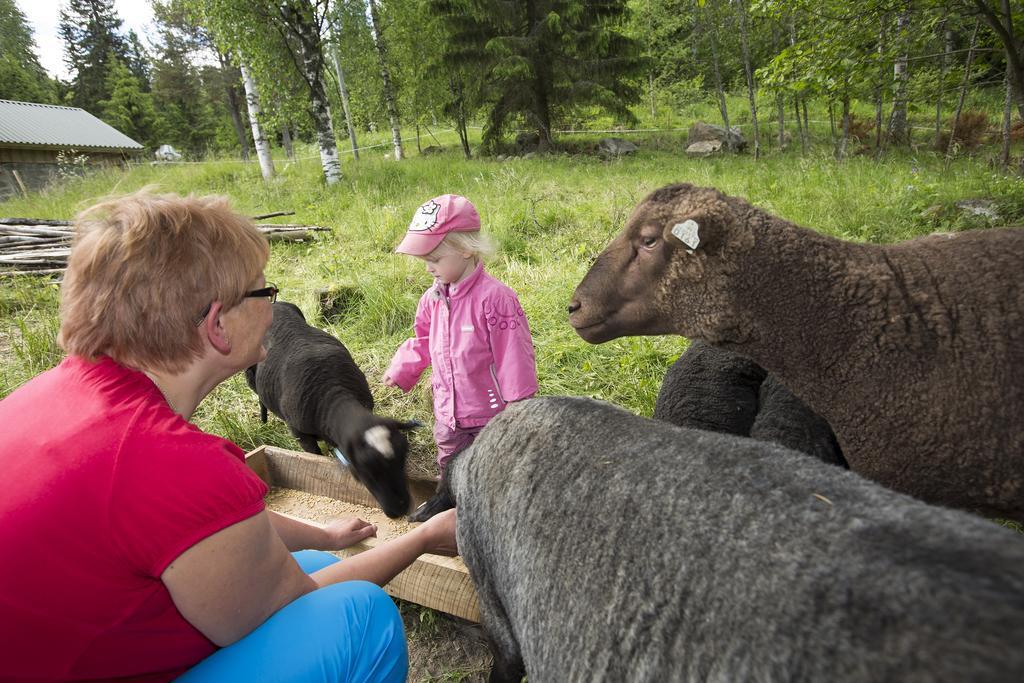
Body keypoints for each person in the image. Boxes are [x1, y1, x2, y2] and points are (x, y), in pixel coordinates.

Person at [0, 190, 457, 682]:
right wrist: (425, 539)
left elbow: (208, 530)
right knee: (361, 616)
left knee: (314, 558)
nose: (273, 306)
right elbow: (301, 597)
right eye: (264, 293)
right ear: (218, 324)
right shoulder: (177, 462)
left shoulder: (49, 395)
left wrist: (324, 533)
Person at [383, 194, 538, 475]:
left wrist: (518, 408)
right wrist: (403, 368)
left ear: (466, 249)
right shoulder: (432, 298)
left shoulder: (496, 299)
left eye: (435, 259)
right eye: (424, 261)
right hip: (448, 416)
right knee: (450, 470)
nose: (428, 268)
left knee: (493, 472)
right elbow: (423, 339)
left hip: (490, 416)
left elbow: (513, 355)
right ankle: (450, 515)